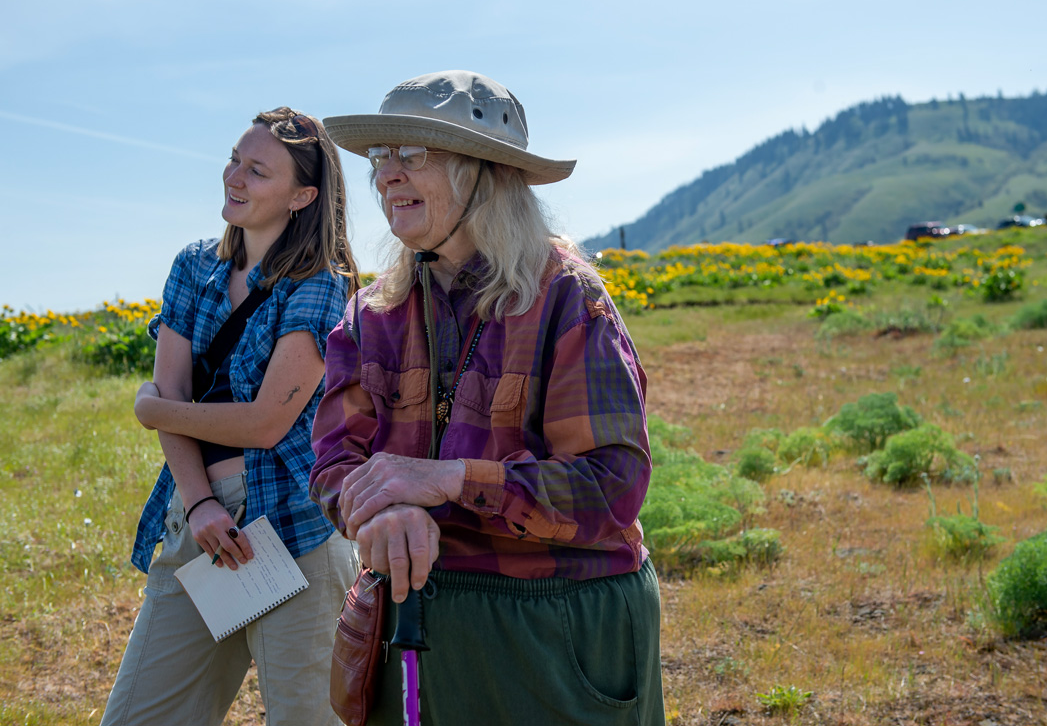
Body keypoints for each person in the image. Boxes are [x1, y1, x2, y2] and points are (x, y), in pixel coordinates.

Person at [310, 71, 666, 725]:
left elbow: (612, 488)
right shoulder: (370, 315)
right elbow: (334, 459)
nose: (386, 174)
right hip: (413, 628)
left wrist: (446, 480)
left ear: (487, 171)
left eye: (413, 153)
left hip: (558, 633)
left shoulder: (566, 298)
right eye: (381, 157)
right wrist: (378, 515)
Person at [101, 107, 361, 726]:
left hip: (294, 529)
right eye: (234, 160)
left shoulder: (321, 283)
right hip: (200, 518)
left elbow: (266, 423)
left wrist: (152, 409)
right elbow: (177, 387)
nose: (234, 177)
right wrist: (198, 504)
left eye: (257, 170)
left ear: (302, 195)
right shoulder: (195, 265)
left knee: (306, 719)